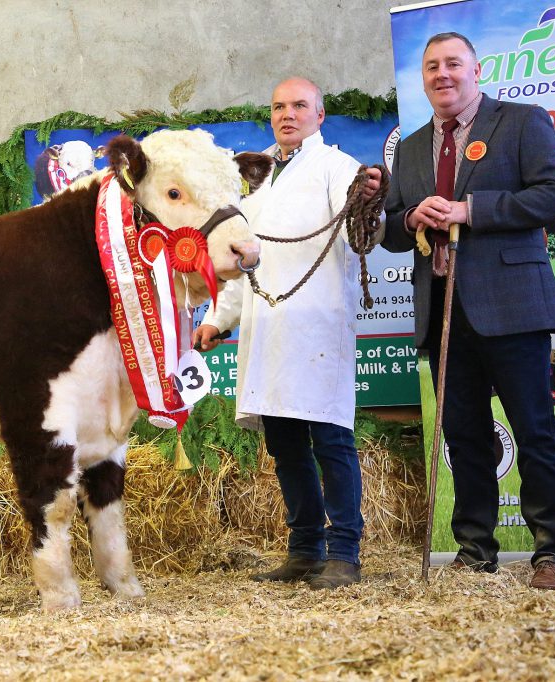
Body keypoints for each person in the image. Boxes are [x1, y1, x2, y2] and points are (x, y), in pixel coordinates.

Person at [382, 32, 555, 589]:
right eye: (432, 66)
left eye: (453, 64)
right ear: (423, 78)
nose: (442, 74)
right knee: (464, 436)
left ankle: (550, 552)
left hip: (512, 307)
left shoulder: (520, 121)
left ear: (476, 70)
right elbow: (394, 231)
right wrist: (411, 218)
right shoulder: (415, 145)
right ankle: (474, 550)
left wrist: (471, 209)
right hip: (442, 309)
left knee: (533, 429)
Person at [194, 77, 382, 590]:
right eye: (279, 106)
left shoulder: (338, 168)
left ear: (320, 116)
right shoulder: (258, 179)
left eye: (300, 105)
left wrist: (369, 204)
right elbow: (240, 259)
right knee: (285, 445)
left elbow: (364, 231)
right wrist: (217, 318)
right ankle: (304, 551)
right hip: (267, 329)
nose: (288, 114)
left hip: (317, 328)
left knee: (330, 439)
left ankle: (344, 553)